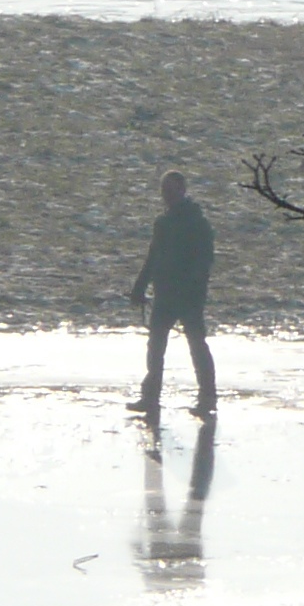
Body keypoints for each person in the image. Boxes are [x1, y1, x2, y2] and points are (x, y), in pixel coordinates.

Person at [128, 170, 217, 420]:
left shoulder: (198, 223)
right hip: (164, 294)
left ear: (182, 190)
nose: (166, 195)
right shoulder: (162, 223)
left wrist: (193, 287)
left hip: (189, 297)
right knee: (155, 347)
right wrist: (139, 287)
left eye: (171, 190)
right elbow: (153, 257)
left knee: (197, 346)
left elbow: (205, 260)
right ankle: (150, 397)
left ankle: (208, 397)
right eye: (164, 191)